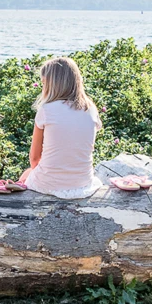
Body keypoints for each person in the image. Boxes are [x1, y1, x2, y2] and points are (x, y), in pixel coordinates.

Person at [19, 56, 102, 199]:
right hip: (83, 182)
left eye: (44, 83)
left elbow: (34, 159)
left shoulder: (46, 109)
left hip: (49, 184)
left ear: (53, 84)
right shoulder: (91, 109)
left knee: (25, 176)